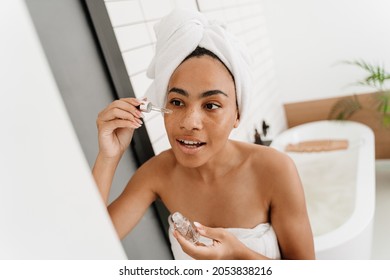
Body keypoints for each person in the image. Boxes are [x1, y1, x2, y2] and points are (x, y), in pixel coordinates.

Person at [92, 9, 315, 260]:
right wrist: (108, 156)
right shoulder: (157, 174)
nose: (190, 123)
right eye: (177, 102)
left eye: (211, 105)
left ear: (237, 114)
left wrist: (236, 253)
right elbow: (88, 243)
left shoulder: (275, 170)